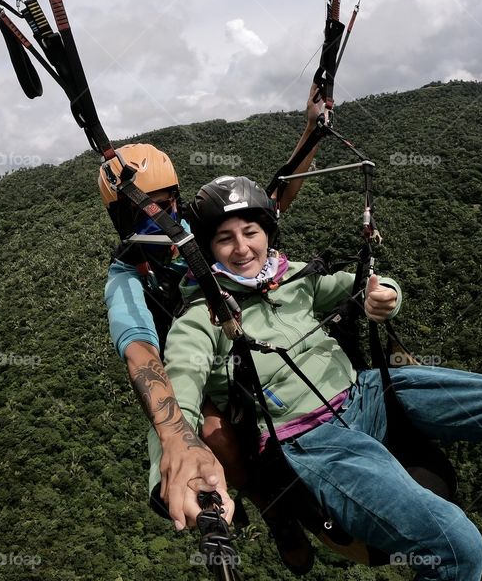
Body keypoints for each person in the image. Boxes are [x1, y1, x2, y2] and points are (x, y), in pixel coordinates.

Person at [150, 175, 482, 580]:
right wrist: (175, 457)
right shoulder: (202, 318)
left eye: (250, 232)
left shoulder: (293, 278)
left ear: (267, 232)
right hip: (313, 439)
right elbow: (178, 388)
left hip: (367, 393)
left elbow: (366, 284)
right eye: (225, 239)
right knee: (459, 547)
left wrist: (386, 295)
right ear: (208, 250)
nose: (242, 248)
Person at [100, 89, 324, 571]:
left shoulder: (193, 232)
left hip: (242, 336)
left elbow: (273, 201)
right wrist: (174, 437)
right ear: (122, 218)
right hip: (191, 368)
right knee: (213, 433)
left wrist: (311, 131)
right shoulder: (128, 278)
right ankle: (273, 510)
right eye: (142, 211)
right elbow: (140, 351)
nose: (158, 219)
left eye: (165, 205)